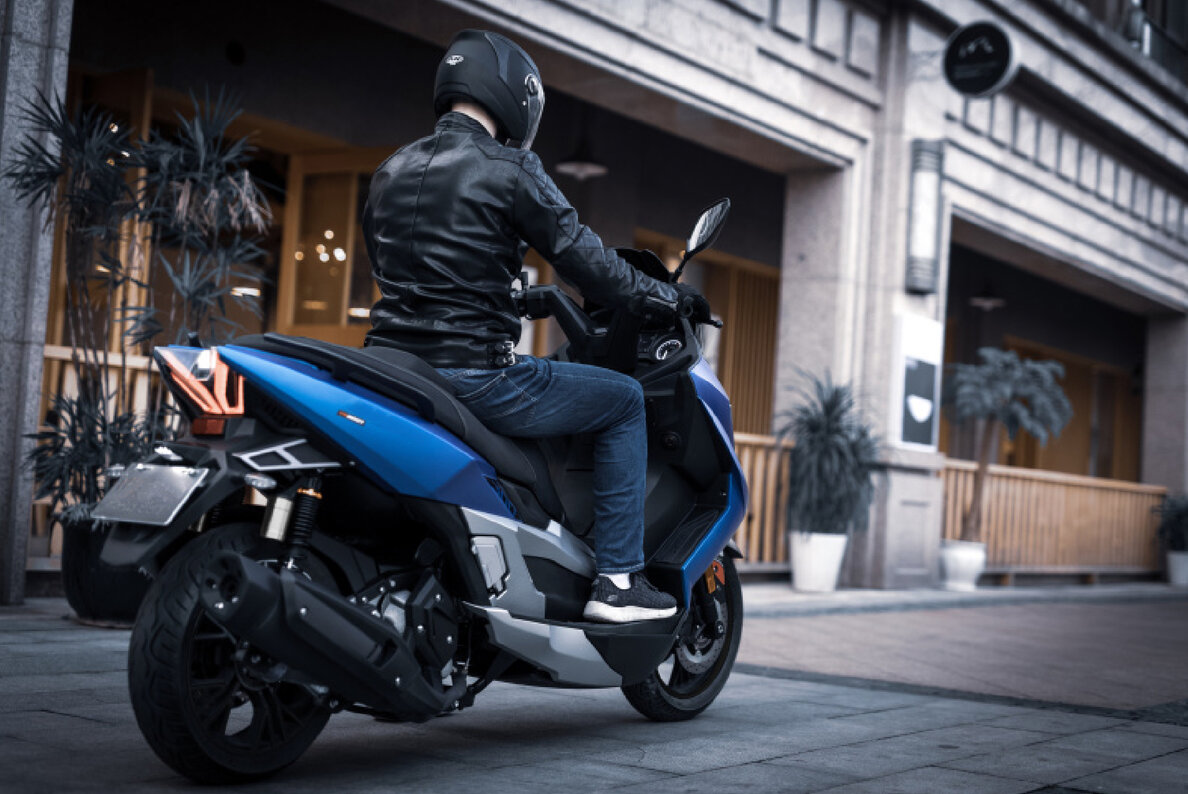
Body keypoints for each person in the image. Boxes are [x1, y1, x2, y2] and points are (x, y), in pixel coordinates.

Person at [362, 29, 712, 623]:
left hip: (389, 367)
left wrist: (514, 297)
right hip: (474, 375)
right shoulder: (511, 168)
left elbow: (406, 270)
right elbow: (589, 263)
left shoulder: (390, 169)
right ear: (513, 95)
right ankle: (618, 581)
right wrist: (666, 295)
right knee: (624, 400)